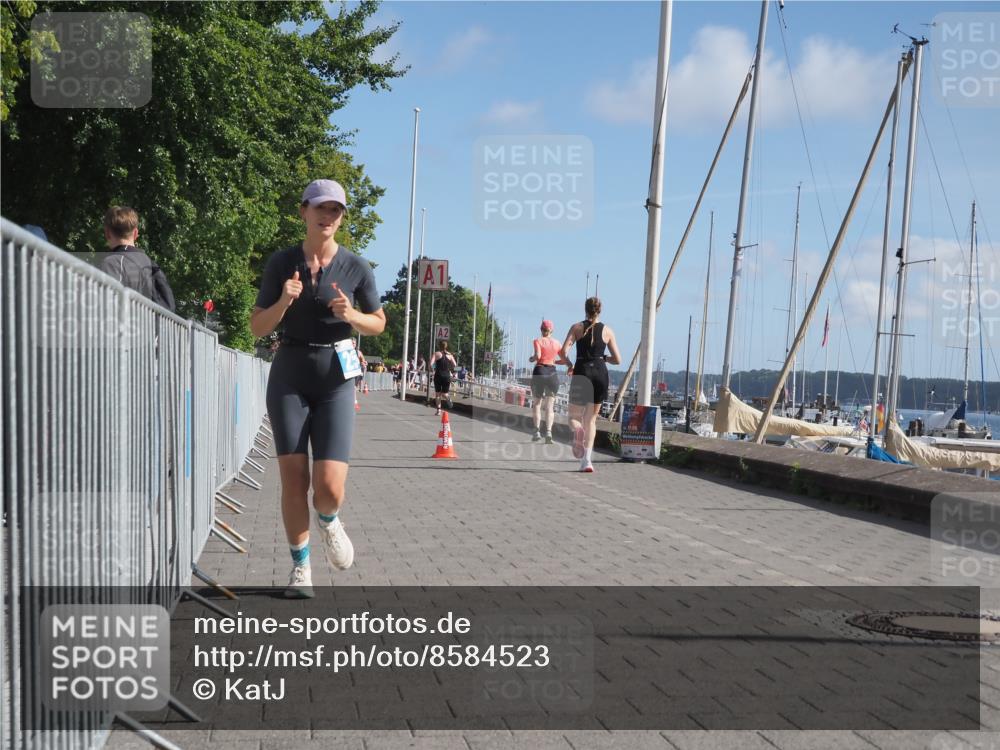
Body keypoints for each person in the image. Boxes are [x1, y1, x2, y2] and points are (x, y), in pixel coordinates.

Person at [250, 179, 385, 598]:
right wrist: (284, 302)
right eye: (321, 208)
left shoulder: (356, 267)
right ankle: (301, 569)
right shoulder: (281, 262)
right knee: (293, 479)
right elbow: (257, 326)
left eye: (336, 211)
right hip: (289, 372)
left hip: (335, 377)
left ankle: (328, 520)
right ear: (303, 211)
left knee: (328, 488)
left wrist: (353, 315)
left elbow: (378, 323)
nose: (328, 217)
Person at [559, 297, 621, 473]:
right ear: (599, 310)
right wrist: (604, 358)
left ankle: (577, 431)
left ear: (585, 310)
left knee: (573, 418)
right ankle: (587, 461)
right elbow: (618, 359)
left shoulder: (577, 327)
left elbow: (563, 352)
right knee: (591, 420)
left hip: (582, 372)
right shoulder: (608, 331)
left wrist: (569, 365)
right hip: (601, 374)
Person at [99, 206, 176, 312]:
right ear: (135, 233)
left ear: (107, 233)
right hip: (150, 327)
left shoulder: (112, 263)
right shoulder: (150, 264)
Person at [530, 319, 569, 444]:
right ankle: (548, 432)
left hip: (540, 371)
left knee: (536, 404)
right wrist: (554, 361)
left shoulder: (538, 341)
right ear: (551, 330)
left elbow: (538, 356)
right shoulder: (557, 343)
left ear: (541, 329)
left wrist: (531, 359)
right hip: (552, 374)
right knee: (550, 407)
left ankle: (536, 432)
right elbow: (564, 360)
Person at [429, 340, 457, 415]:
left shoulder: (436, 354)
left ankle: (438, 410)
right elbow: (455, 365)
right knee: (445, 393)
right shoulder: (450, 355)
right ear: (446, 346)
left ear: (439, 346)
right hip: (447, 376)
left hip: (438, 375)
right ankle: (448, 398)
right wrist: (453, 372)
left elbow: (430, 364)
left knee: (437, 394)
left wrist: (433, 370)